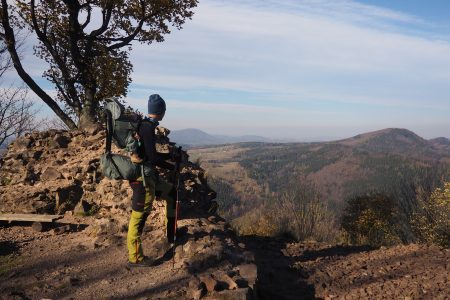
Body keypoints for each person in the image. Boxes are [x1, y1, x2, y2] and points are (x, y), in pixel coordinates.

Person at [126, 94, 178, 267]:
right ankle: (135, 258)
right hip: (143, 179)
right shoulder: (147, 128)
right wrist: (170, 161)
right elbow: (152, 157)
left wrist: (168, 158)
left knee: (171, 192)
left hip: (149, 176)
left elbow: (150, 156)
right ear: (161, 111)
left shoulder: (145, 126)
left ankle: (172, 233)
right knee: (139, 216)